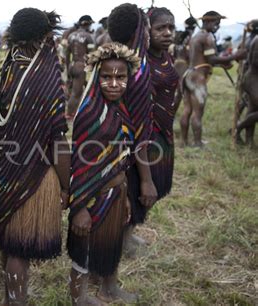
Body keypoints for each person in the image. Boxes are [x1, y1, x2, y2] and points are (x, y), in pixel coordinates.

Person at [0, 8, 70, 305]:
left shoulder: (5, 70)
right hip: (33, 175)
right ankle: (16, 301)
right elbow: (57, 139)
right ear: (45, 37)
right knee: (21, 249)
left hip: (5, 171)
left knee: (10, 242)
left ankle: (12, 298)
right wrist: (66, 184)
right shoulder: (44, 77)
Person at [67, 42, 140, 305]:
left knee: (112, 242)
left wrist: (126, 196)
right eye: (106, 77)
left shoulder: (121, 110)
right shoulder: (89, 113)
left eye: (120, 77)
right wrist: (79, 208)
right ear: (96, 78)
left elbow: (122, 158)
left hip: (117, 193)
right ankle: (79, 297)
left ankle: (109, 288)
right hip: (92, 198)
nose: (114, 83)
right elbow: (78, 165)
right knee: (84, 250)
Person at [108, 3, 158, 256]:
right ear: (137, 33)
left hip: (113, 149)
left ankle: (125, 238)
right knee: (129, 194)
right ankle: (119, 245)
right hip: (126, 153)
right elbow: (138, 134)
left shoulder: (114, 61)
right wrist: (148, 180)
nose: (150, 36)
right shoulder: (135, 71)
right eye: (147, 30)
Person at [137, 7, 179, 223]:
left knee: (158, 182)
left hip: (165, 131)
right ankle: (125, 235)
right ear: (147, 30)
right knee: (142, 185)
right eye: (160, 28)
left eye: (171, 27)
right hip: (146, 136)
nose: (167, 33)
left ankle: (132, 231)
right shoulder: (139, 62)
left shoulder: (166, 56)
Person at [180, 11, 246, 147]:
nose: (218, 27)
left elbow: (206, 60)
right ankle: (197, 143)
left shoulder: (195, 36)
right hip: (198, 77)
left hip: (188, 74)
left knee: (187, 109)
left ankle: (184, 141)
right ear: (208, 22)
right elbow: (212, 59)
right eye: (217, 23)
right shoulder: (207, 37)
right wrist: (235, 56)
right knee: (197, 112)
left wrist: (224, 63)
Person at [66, 15, 95, 118]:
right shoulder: (88, 37)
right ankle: (70, 114)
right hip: (81, 66)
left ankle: (74, 112)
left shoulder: (70, 36)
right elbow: (92, 55)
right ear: (87, 24)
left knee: (75, 91)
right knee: (76, 93)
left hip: (72, 65)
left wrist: (67, 70)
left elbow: (67, 55)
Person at [237, 21, 258, 146]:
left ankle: (249, 142)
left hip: (254, 79)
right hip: (253, 79)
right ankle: (238, 128)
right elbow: (255, 61)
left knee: (253, 109)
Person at [171, 16, 197, 112]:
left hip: (175, 65)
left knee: (176, 94)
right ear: (194, 27)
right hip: (184, 67)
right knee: (182, 96)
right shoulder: (191, 38)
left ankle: (170, 114)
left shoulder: (178, 35)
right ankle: (171, 115)